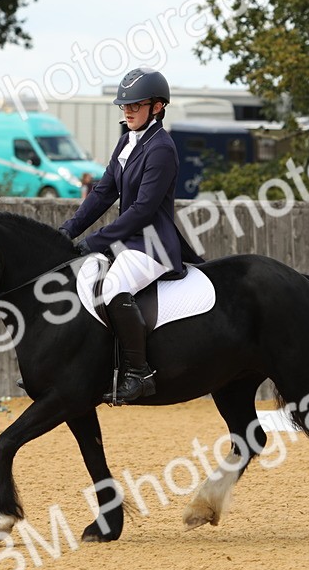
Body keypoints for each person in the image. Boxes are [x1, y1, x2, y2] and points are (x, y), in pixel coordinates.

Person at [59, 67, 204, 403]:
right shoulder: (127, 140)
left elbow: (142, 210)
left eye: (135, 105)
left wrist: (93, 242)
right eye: (124, 105)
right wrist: (67, 230)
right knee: (80, 283)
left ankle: (139, 374)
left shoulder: (161, 148)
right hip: (128, 242)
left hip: (153, 244)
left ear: (157, 107)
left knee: (112, 288)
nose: (128, 110)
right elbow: (102, 193)